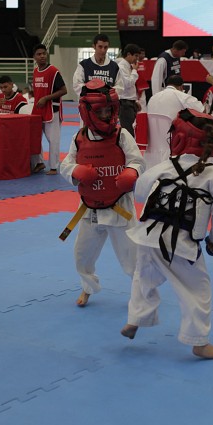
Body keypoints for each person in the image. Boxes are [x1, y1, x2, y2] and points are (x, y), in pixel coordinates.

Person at [121, 108, 213, 360]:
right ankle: (199, 341)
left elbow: (140, 192)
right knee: (197, 289)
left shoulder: (164, 166)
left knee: (143, 278)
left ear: (179, 139)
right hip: (180, 245)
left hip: (147, 236)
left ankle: (135, 319)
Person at [59, 80, 145, 308]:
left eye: (110, 110)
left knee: (132, 258)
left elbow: (138, 161)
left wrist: (132, 172)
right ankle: (87, 287)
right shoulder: (79, 138)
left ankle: (142, 294)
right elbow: (64, 165)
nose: (107, 116)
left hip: (120, 208)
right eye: (101, 111)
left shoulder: (121, 135)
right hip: (90, 209)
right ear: (87, 112)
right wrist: (75, 171)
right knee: (82, 256)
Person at [30, 43, 67, 175]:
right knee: (34, 137)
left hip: (52, 110)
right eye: (39, 54)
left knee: (53, 140)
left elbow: (64, 90)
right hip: (38, 110)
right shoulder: (35, 72)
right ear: (34, 57)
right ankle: (39, 162)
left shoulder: (53, 71)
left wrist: (46, 98)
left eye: (44, 53)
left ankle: (53, 167)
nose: (42, 56)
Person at [72, 33, 123, 101]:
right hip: (89, 104)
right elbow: (77, 84)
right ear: (94, 46)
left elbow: (120, 87)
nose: (103, 50)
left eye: (105, 47)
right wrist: (92, 93)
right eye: (100, 47)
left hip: (108, 104)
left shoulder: (114, 66)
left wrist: (107, 94)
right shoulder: (84, 65)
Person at [116, 43, 142, 137]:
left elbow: (131, 87)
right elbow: (127, 84)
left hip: (130, 101)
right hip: (125, 103)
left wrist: (135, 100)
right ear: (128, 54)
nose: (137, 59)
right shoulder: (121, 67)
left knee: (132, 129)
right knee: (128, 132)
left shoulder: (128, 66)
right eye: (136, 56)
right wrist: (134, 71)